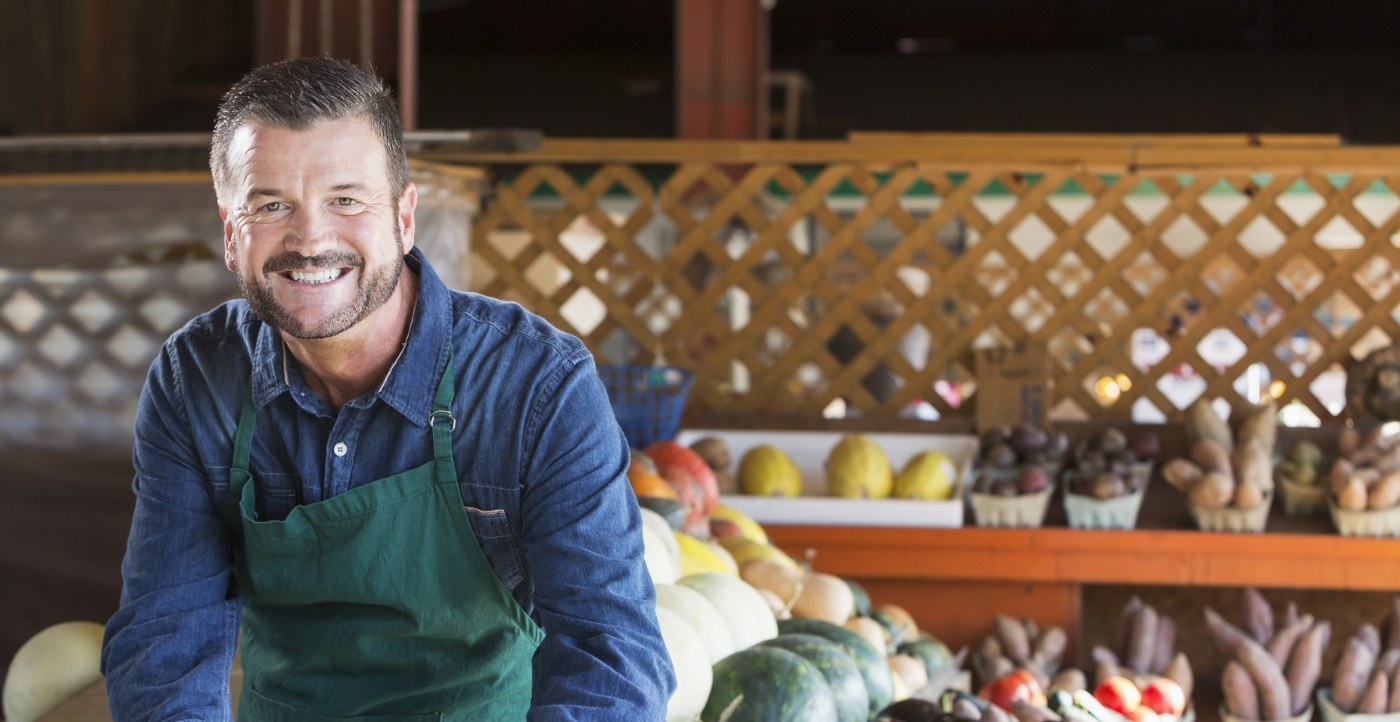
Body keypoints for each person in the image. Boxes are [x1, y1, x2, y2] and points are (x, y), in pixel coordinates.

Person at [101, 57, 675, 721]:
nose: (311, 240)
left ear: (405, 218)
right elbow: (166, 637)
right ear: (232, 236)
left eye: (346, 200)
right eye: (271, 205)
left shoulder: (537, 387)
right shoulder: (195, 379)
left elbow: (610, 652)